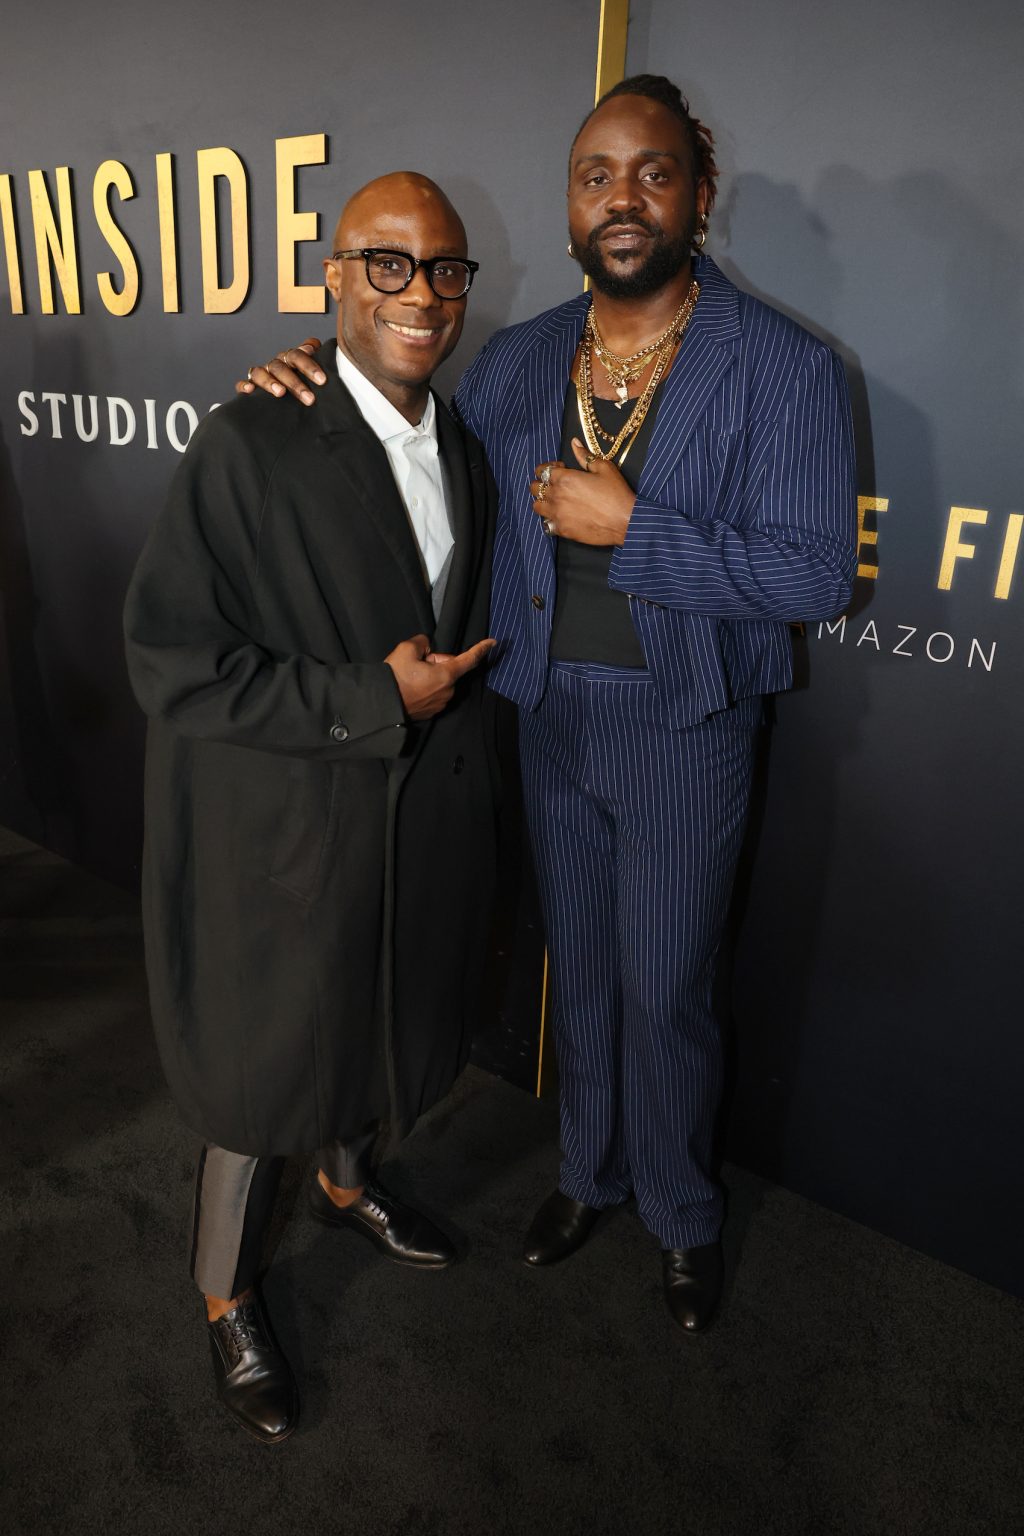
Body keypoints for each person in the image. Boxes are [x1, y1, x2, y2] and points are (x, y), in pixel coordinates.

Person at [238, 75, 857, 1334]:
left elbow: (809, 576)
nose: (620, 197)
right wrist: (307, 380)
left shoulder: (784, 367)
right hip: (545, 715)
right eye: (594, 176)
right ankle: (588, 1174)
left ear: (697, 192)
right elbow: (402, 443)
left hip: (685, 726)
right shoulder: (521, 361)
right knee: (575, 971)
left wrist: (640, 532)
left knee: (668, 986)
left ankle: (684, 1212)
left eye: (649, 172)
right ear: (569, 208)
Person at [124, 172, 497, 1443]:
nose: (419, 292)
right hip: (282, 829)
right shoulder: (248, 440)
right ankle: (225, 1292)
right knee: (259, 1076)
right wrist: (364, 699)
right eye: (385, 264)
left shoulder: (465, 441)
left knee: (366, 1016)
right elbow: (170, 661)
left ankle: (348, 1187)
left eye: (442, 268)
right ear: (332, 279)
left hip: (404, 833)